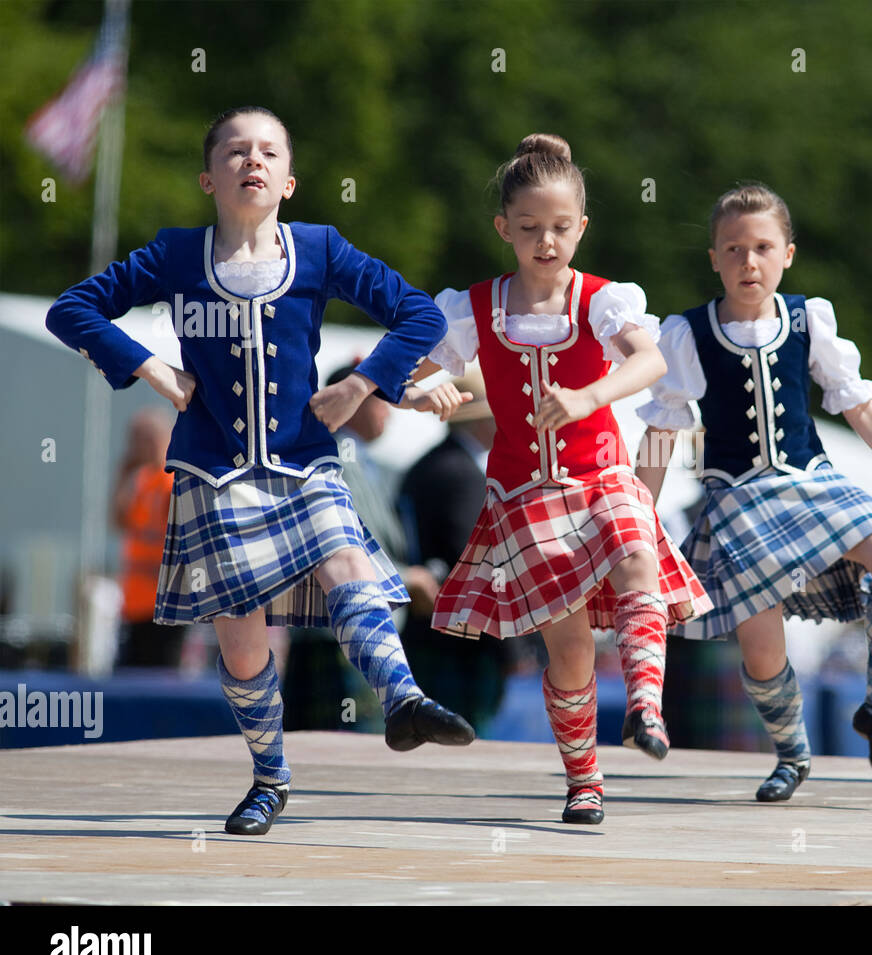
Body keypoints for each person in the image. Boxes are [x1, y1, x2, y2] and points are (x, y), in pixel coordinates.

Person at [46, 105, 476, 836]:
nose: (253, 160)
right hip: (212, 471)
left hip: (306, 459)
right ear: (208, 178)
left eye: (269, 151)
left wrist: (364, 381)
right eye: (236, 151)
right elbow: (72, 309)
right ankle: (269, 779)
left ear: (290, 180)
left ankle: (402, 700)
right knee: (241, 638)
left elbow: (420, 316)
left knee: (350, 565)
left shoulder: (320, 249)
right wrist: (153, 368)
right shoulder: (178, 255)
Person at [402, 134, 711, 825]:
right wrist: (428, 391)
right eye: (531, 228)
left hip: (601, 471)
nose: (547, 242)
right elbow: (403, 380)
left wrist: (587, 396)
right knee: (567, 649)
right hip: (524, 493)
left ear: (582, 228)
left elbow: (651, 362)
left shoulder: (602, 300)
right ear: (503, 228)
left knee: (638, 559)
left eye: (561, 228)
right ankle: (583, 780)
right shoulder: (473, 308)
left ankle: (645, 707)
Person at [637, 183, 872, 801]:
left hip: (812, 481)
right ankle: (792, 755)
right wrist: (636, 518)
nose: (747, 262)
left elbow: (860, 406)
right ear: (713, 258)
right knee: (760, 642)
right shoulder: (687, 334)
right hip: (737, 499)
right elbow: (660, 431)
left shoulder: (810, 318)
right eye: (733, 249)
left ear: (787, 254)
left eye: (761, 247)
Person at [281, 362, 440, 733]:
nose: (390, 409)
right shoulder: (334, 459)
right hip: (340, 637)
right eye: (381, 399)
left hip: (346, 636)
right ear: (352, 402)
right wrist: (408, 577)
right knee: (344, 756)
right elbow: (339, 548)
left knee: (340, 759)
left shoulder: (361, 461)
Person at [397, 365, 522, 732]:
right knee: (465, 735)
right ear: (482, 421)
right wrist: (509, 647)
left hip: (428, 633)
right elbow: (477, 563)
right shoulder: (462, 474)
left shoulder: (426, 466)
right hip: (464, 644)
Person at [112, 407, 185, 669]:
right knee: (131, 675)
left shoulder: (172, 480)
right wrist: (123, 473)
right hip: (136, 603)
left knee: (161, 678)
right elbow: (118, 521)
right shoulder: (141, 480)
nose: (133, 446)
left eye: (138, 438)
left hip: (164, 606)